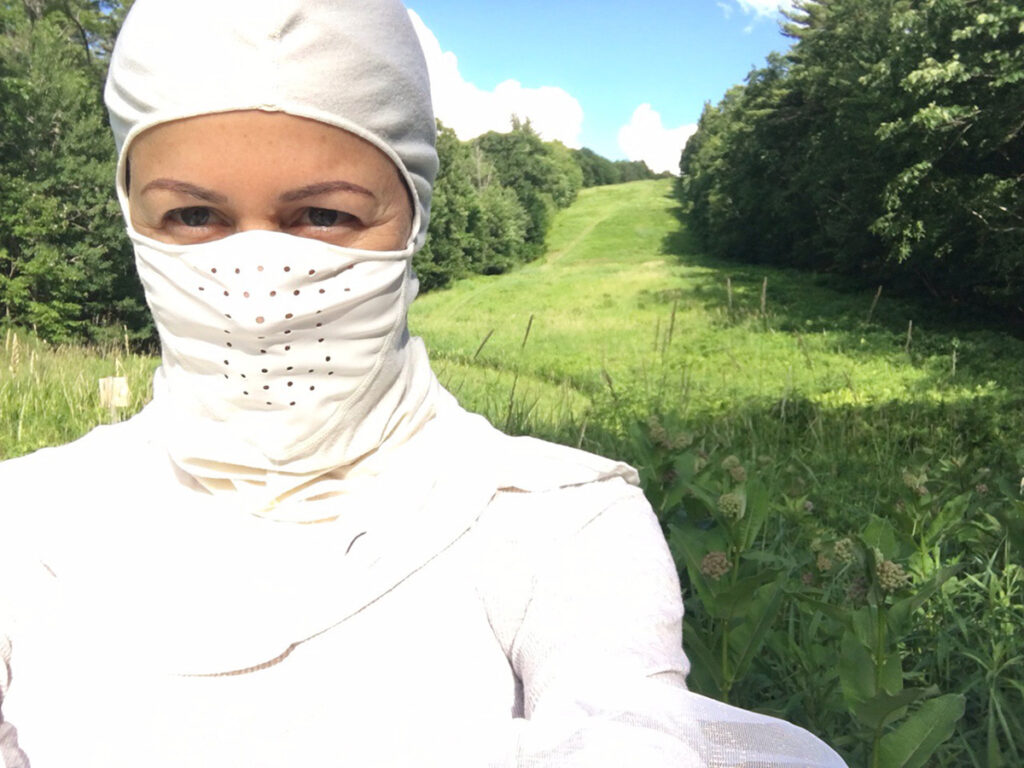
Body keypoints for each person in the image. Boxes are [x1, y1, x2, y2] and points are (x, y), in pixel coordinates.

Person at [0, 1, 847, 765]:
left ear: (414, 218)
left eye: (322, 216)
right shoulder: (28, 523)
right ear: (133, 217)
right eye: (193, 215)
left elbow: (625, 724)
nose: (253, 275)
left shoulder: (553, 523)